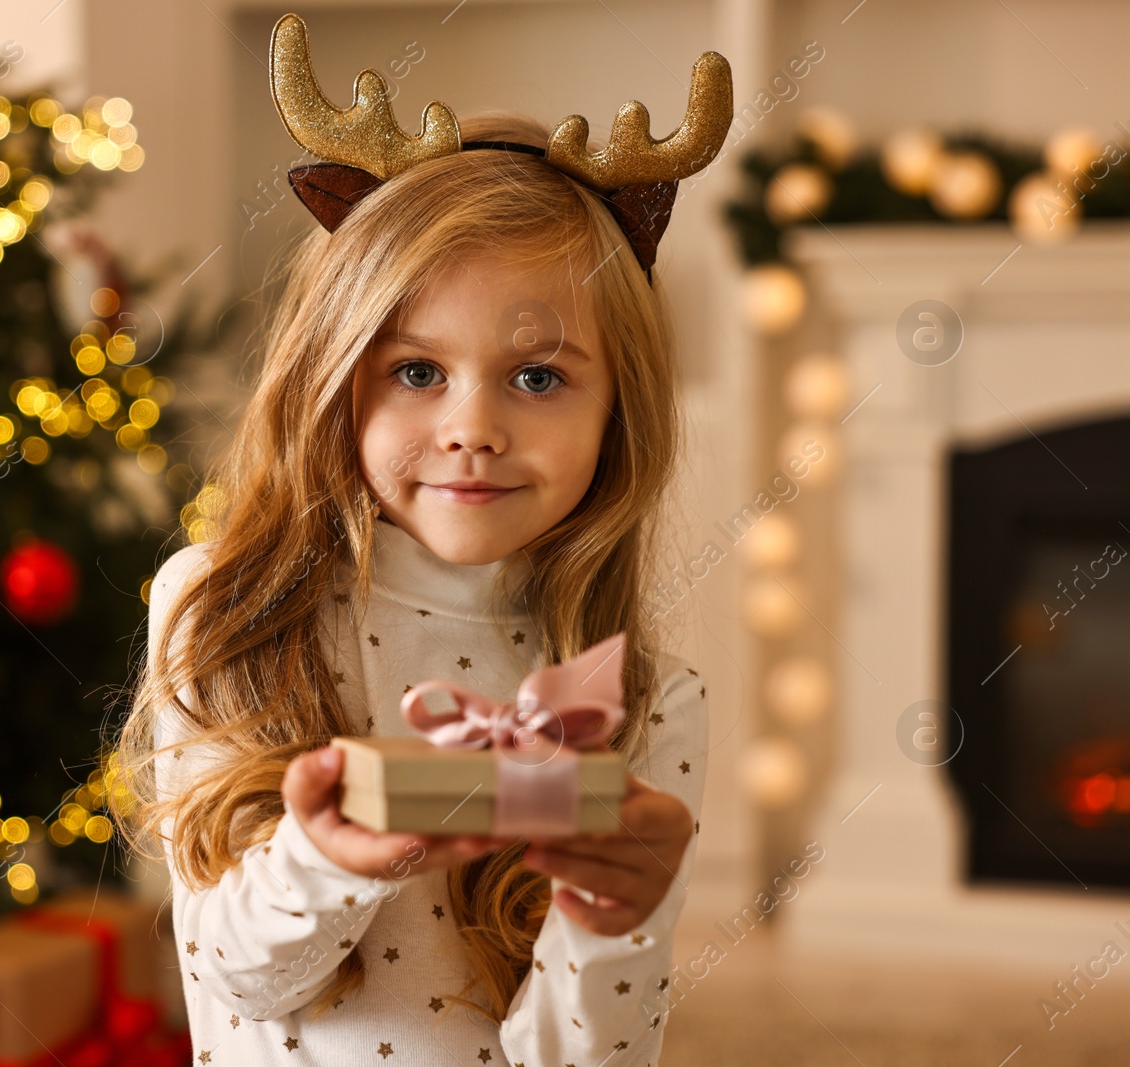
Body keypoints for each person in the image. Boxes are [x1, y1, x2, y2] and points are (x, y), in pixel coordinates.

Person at [112, 13, 730, 1064]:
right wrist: (327, 855)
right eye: (415, 370)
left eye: (538, 376)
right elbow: (233, 974)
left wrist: (611, 914)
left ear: (616, 413)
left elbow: (595, 1057)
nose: (472, 427)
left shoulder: (643, 699)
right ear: (332, 377)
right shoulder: (220, 605)